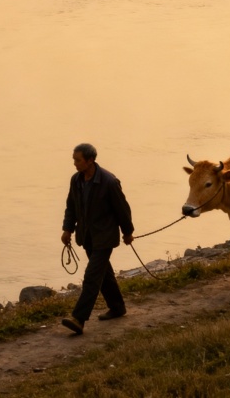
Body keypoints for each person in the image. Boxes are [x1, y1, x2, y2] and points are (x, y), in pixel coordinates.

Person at [60, 143, 134, 336]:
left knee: (92, 276)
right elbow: (71, 207)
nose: (75, 164)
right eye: (74, 160)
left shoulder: (109, 182)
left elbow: (122, 210)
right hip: (87, 237)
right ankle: (117, 307)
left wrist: (127, 232)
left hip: (105, 237)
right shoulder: (76, 180)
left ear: (90, 160)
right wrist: (67, 229)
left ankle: (79, 319)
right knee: (104, 274)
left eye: (78, 160)